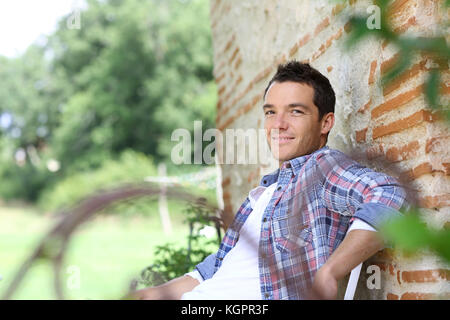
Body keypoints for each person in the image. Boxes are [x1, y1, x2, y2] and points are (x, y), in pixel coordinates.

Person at [129, 61, 408, 300]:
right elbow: (217, 267)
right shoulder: (265, 191)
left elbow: (391, 196)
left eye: (296, 111)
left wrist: (330, 271)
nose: (278, 124)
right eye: (271, 112)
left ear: (325, 123)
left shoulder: (320, 169)